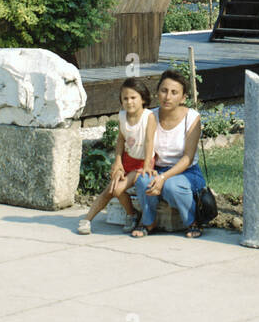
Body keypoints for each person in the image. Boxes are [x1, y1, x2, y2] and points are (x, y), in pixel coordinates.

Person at [130, 70, 206, 239]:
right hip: (158, 168)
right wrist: (150, 171)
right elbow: (147, 151)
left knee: (172, 186)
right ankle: (149, 222)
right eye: (164, 91)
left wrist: (163, 179)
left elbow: (187, 158)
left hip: (187, 172)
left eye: (174, 92)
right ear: (157, 92)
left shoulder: (192, 118)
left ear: (183, 97)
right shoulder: (150, 116)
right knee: (143, 180)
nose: (167, 97)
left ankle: (192, 221)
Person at [77, 78, 154, 235]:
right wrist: (117, 163)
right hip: (127, 160)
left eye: (133, 98)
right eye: (125, 98)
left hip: (142, 163)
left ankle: (132, 215)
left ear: (143, 99)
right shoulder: (122, 116)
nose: (129, 102)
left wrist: (146, 165)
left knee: (117, 189)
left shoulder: (148, 117)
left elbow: (149, 141)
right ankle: (87, 219)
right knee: (110, 189)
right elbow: (121, 139)